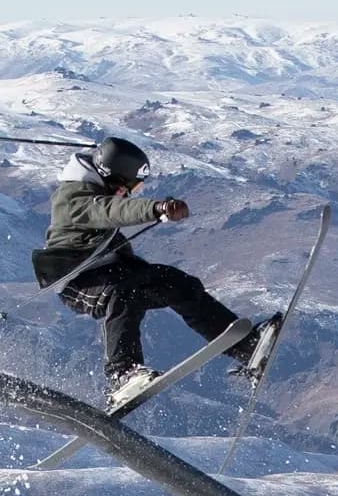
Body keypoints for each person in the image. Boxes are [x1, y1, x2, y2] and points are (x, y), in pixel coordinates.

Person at [32, 137, 281, 407]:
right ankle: (122, 375)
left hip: (113, 270)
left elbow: (114, 207)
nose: (131, 192)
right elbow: (112, 211)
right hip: (78, 282)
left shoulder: (97, 189)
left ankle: (246, 347)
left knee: (177, 283)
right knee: (121, 292)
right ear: (113, 177)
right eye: (132, 185)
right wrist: (155, 208)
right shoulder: (75, 198)